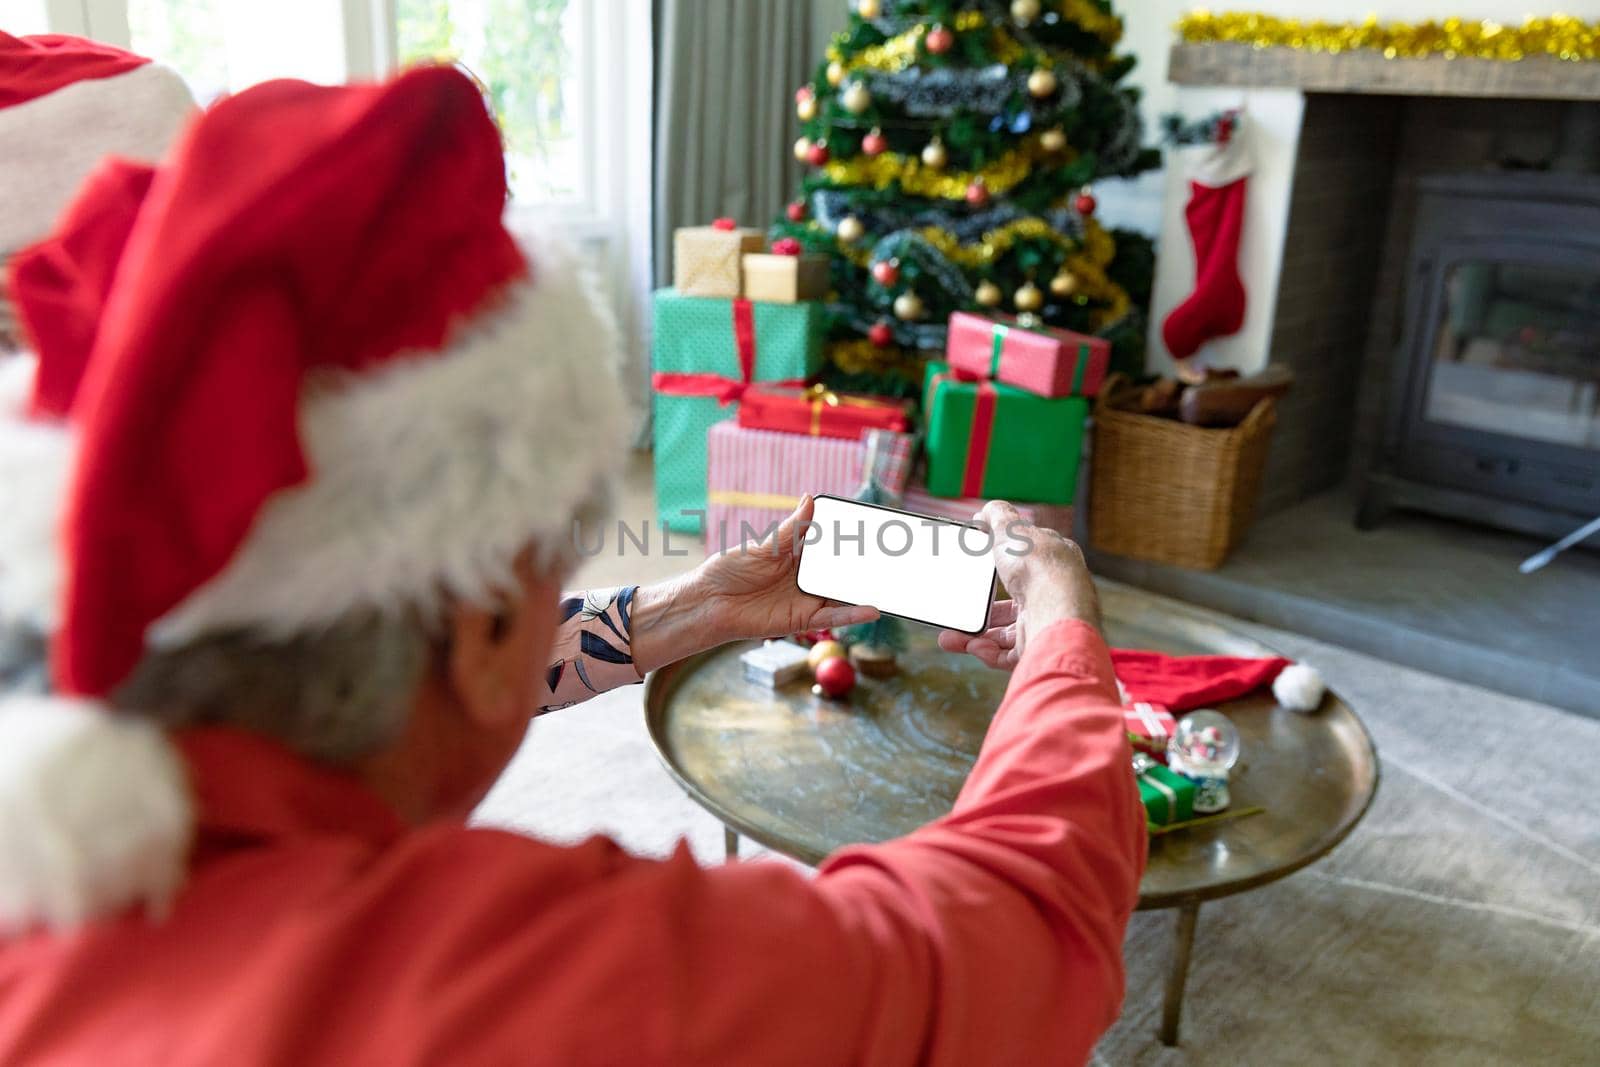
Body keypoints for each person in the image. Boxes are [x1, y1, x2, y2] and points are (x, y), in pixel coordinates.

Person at [0, 66, 1143, 1065]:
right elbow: (1014, 934)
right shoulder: (517, 986)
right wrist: (1059, 623)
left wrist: (698, 604)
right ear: (487, 625)